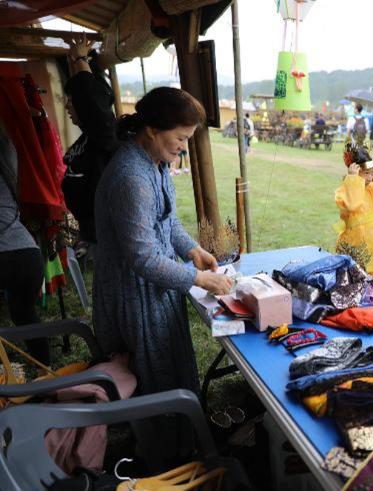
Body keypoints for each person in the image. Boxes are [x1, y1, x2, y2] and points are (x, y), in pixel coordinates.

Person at [93, 87, 234, 457]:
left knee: (171, 368)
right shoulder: (130, 176)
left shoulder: (154, 162)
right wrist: (198, 278)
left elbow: (167, 222)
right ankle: (161, 460)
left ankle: (182, 443)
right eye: (181, 138)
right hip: (133, 294)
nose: (184, 148)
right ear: (153, 129)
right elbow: (143, 258)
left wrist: (193, 250)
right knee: (153, 379)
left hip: (155, 288)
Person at [61, 34, 119, 248]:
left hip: (105, 234)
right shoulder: (89, 136)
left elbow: (93, 99)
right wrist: (76, 63)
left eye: (72, 101)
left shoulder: (104, 134)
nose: (67, 107)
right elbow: (89, 94)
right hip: (92, 232)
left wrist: (80, 61)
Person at [0, 121, 49, 364]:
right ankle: (44, 370)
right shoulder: (7, 151)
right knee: (24, 313)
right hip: (28, 254)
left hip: (7, 256)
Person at [334, 139, 373, 283]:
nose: (371, 177)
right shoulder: (343, 192)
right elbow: (353, 205)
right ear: (355, 171)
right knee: (355, 280)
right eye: (366, 173)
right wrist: (353, 180)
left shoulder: (372, 190)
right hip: (355, 245)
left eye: (372, 173)